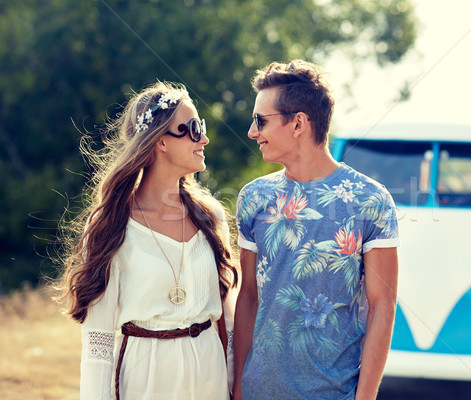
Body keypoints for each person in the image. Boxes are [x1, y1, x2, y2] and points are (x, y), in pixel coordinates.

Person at [57, 81, 237, 399]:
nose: (204, 138)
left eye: (202, 127)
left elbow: (229, 320)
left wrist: (236, 385)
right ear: (161, 142)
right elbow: (97, 342)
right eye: (193, 128)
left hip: (210, 376)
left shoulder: (211, 217)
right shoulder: (109, 225)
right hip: (146, 379)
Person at [233, 60, 400, 400]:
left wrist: (365, 397)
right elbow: (248, 296)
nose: (253, 132)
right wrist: (237, 387)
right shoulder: (253, 197)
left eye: (261, 121)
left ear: (298, 123)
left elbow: (383, 304)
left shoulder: (371, 199)